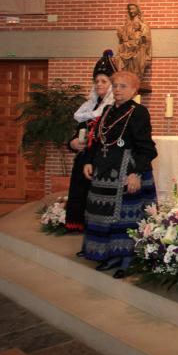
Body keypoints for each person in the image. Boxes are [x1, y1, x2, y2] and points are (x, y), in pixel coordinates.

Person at [81, 70, 157, 279]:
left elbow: (147, 148)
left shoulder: (138, 112)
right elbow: (96, 140)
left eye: (123, 86)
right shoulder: (106, 111)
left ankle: (127, 259)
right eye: (115, 86)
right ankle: (111, 255)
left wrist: (136, 173)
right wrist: (88, 160)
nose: (118, 90)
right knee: (101, 215)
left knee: (125, 219)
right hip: (104, 170)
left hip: (127, 171)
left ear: (134, 90)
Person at [65, 50, 116, 233]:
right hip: (82, 158)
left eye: (104, 81)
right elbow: (77, 133)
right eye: (97, 81)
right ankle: (77, 225)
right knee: (79, 194)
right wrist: (72, 143)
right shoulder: (89, 107)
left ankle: (94, 229)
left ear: (112, 84)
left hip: (99, 160)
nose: (99, 84)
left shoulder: (113, 108)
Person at [115, 4, 152, 80]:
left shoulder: (143, 24)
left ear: (137, 10)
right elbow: (123, 39)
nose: (131, 11)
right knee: (122, 67)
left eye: (133, 9)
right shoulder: (127, 25)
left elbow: (146, 39)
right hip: (127, 49)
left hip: (138, 50)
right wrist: (120, 33)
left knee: (136, 71)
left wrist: (148, 55)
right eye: (129, 9)